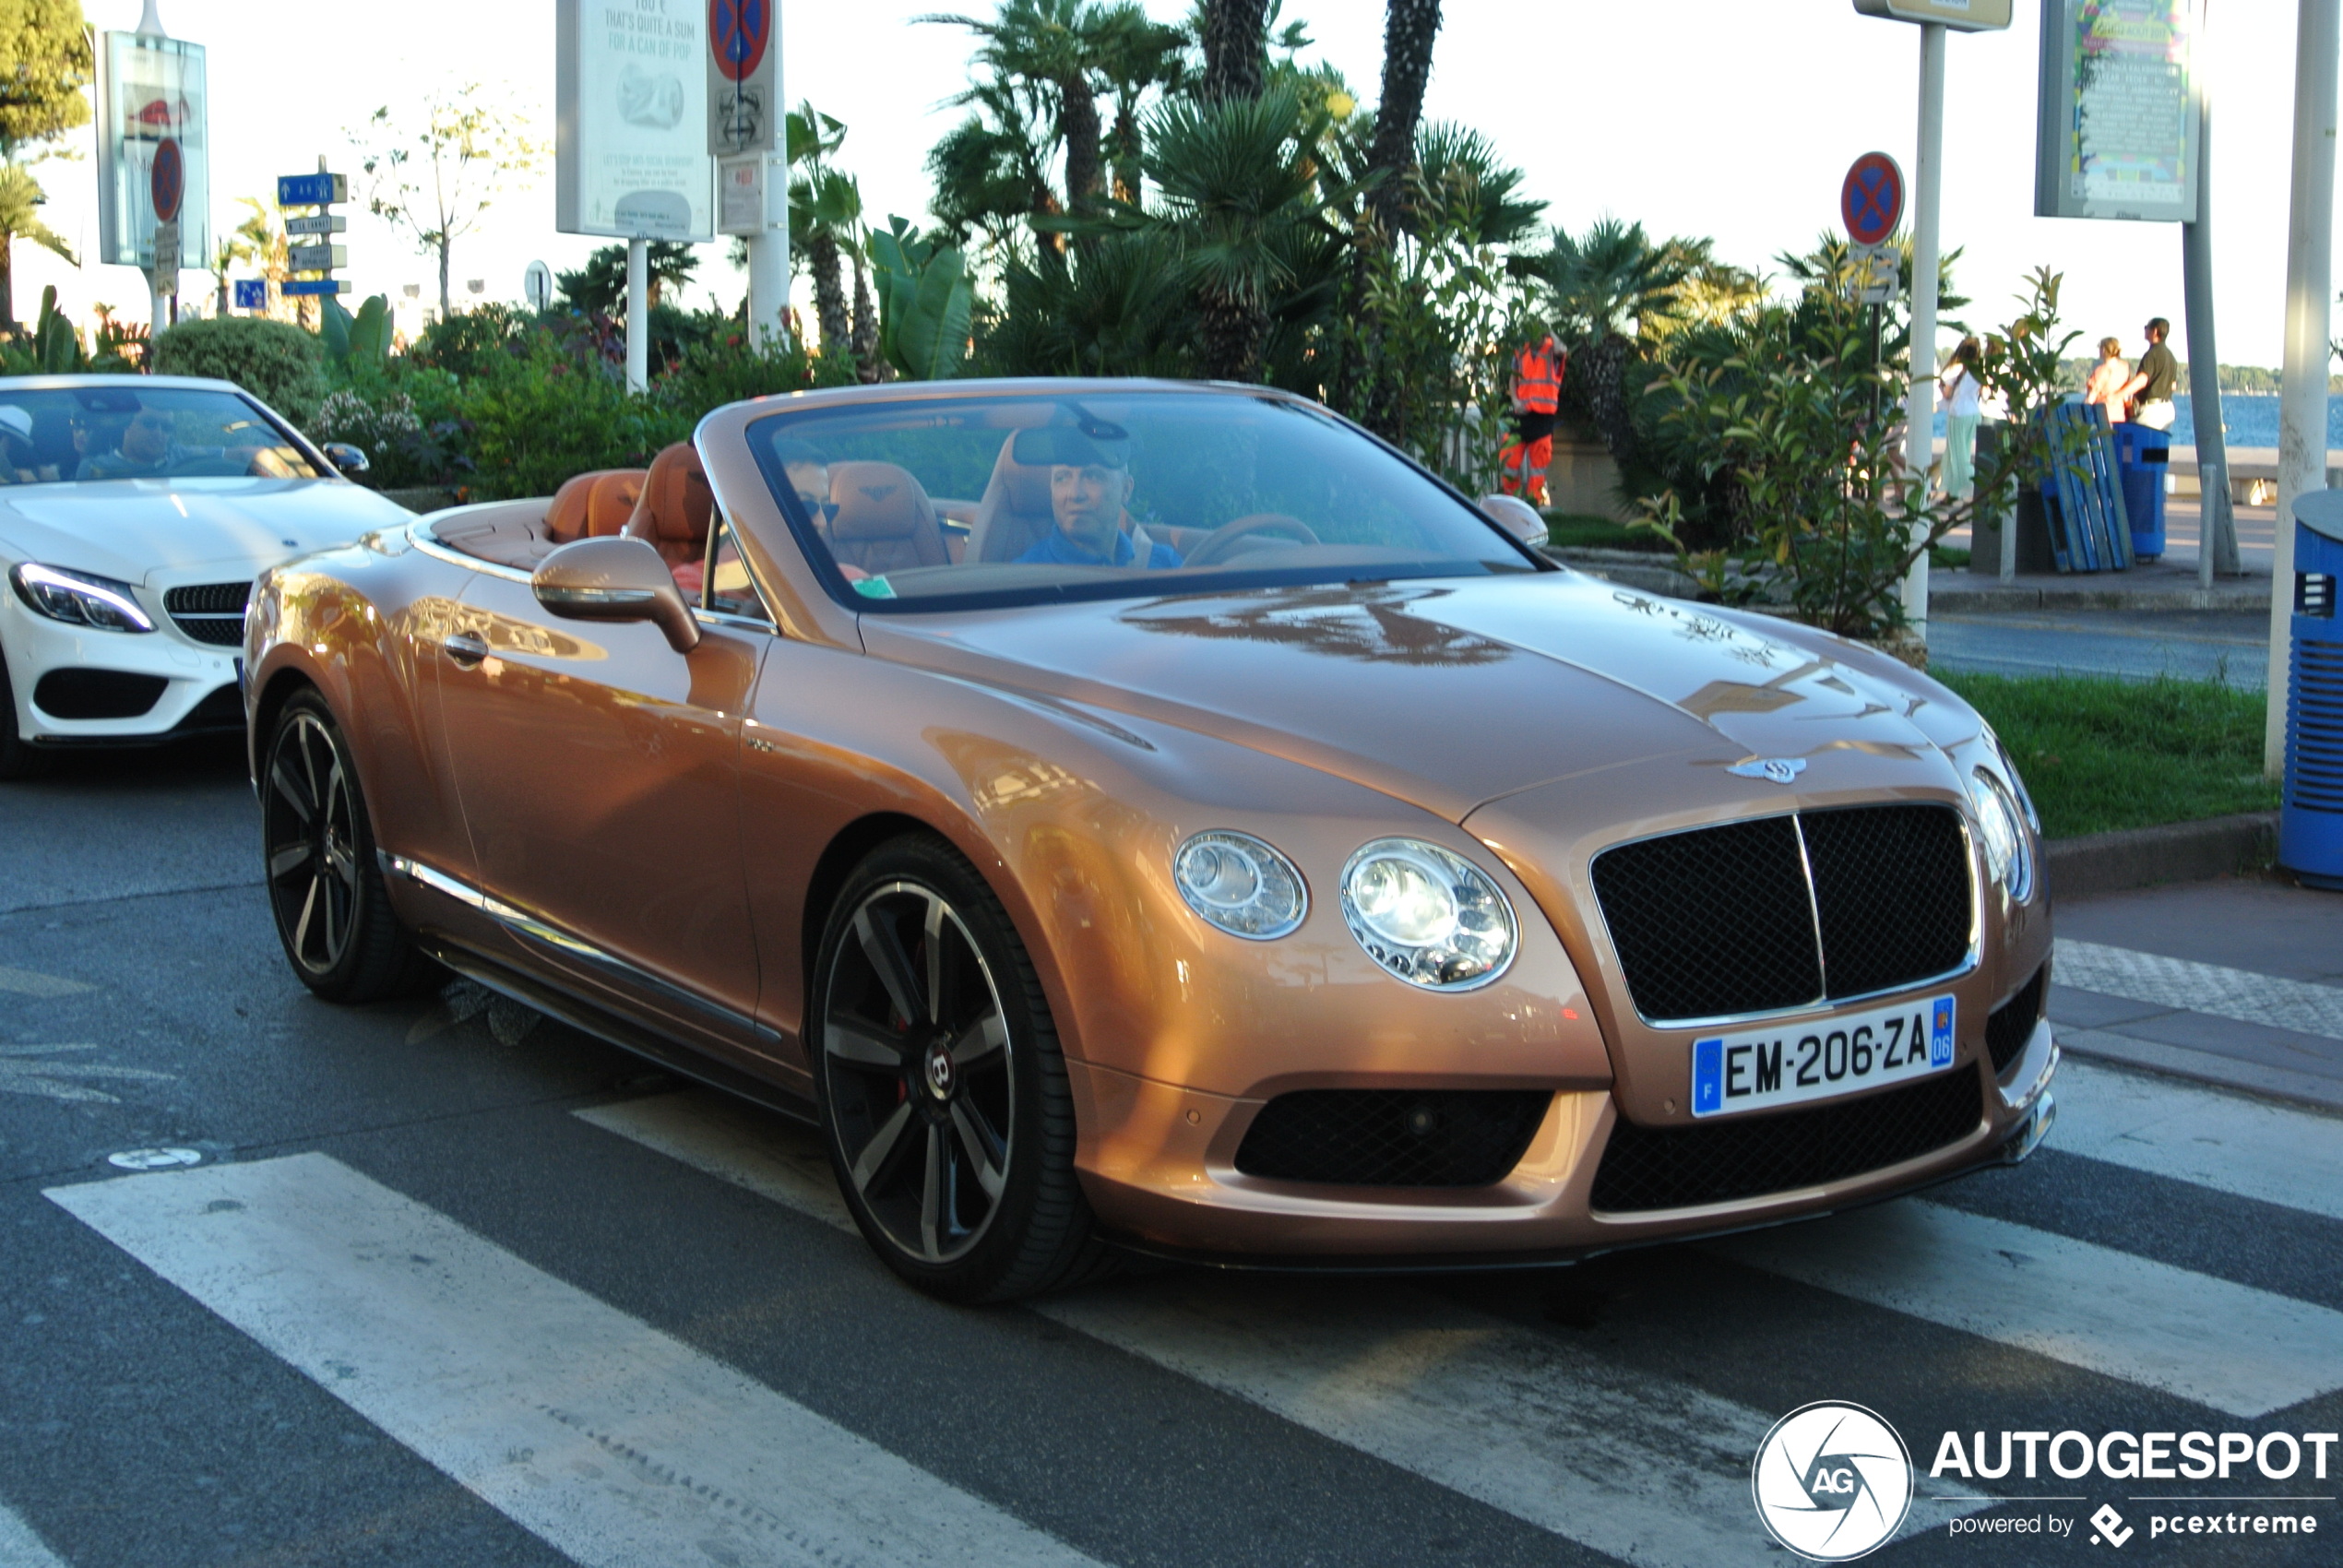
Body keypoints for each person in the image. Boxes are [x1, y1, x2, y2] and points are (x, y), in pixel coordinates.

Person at [1015, 428, 1181, 569]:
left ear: (1126, 489)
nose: (1074, 494)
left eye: (1092, 477)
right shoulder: (1024, 578)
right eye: (1062, 478)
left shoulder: (1165, 564)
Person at [74, 404, 259, 481]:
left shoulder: (182, 455)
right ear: (126, 426)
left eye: (167, 427)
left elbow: (242, 453)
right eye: (149, 424)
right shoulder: (95, 468)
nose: (158, 432)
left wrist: (280, 455)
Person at [1497, 331, 1564, 506]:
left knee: (1538, 471)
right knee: (1508, 460)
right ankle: (1512, 505)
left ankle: (1534, 507)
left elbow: (1562, 350)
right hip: (1521, 415)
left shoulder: (1553, 350)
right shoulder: (1521, 351)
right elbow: (1513, 378)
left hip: (1543, 418)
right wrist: (1515, 400)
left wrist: (1550, 332)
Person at [1938, 337, 1983, 501]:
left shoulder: (1956, 368)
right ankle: (1953, 493)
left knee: (1956, 457)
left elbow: (1948, 394)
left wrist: (1942, 387)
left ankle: (1973, 487)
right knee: (1960, 453)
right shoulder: (1978, 370)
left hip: (1958, 413)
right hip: (1973, 413)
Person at [2118, 317, 2180, 432]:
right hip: (2167, 408)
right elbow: (2173, 385)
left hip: (2152, 410)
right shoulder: (2171, 356)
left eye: (2147, 327)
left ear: (2155, 331)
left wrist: (2119, 394)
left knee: (2140, 444)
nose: (2145, 330)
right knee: (2156, 447)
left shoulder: (2152, 354)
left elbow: (2142, 379)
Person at [2082, 337, 2130, 423]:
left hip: (2102, 417)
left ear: (2104, 350)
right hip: (2120, 416)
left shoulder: (2102, 370)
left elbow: (2091, 397)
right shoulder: (2124, 367)